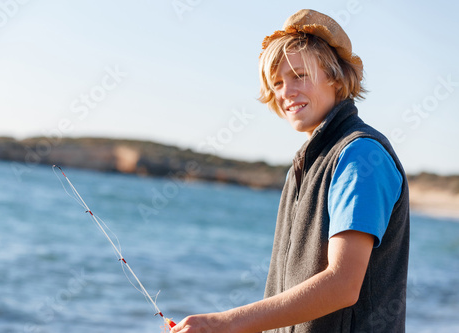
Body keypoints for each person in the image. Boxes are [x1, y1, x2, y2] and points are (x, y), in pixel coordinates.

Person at [170, 9, 409, 333]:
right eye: (278, 82)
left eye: (300, 75)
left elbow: (343, 284)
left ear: (335, 77)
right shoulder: (305, 164)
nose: (286, 92)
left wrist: (222, 323)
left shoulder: (360, 156)